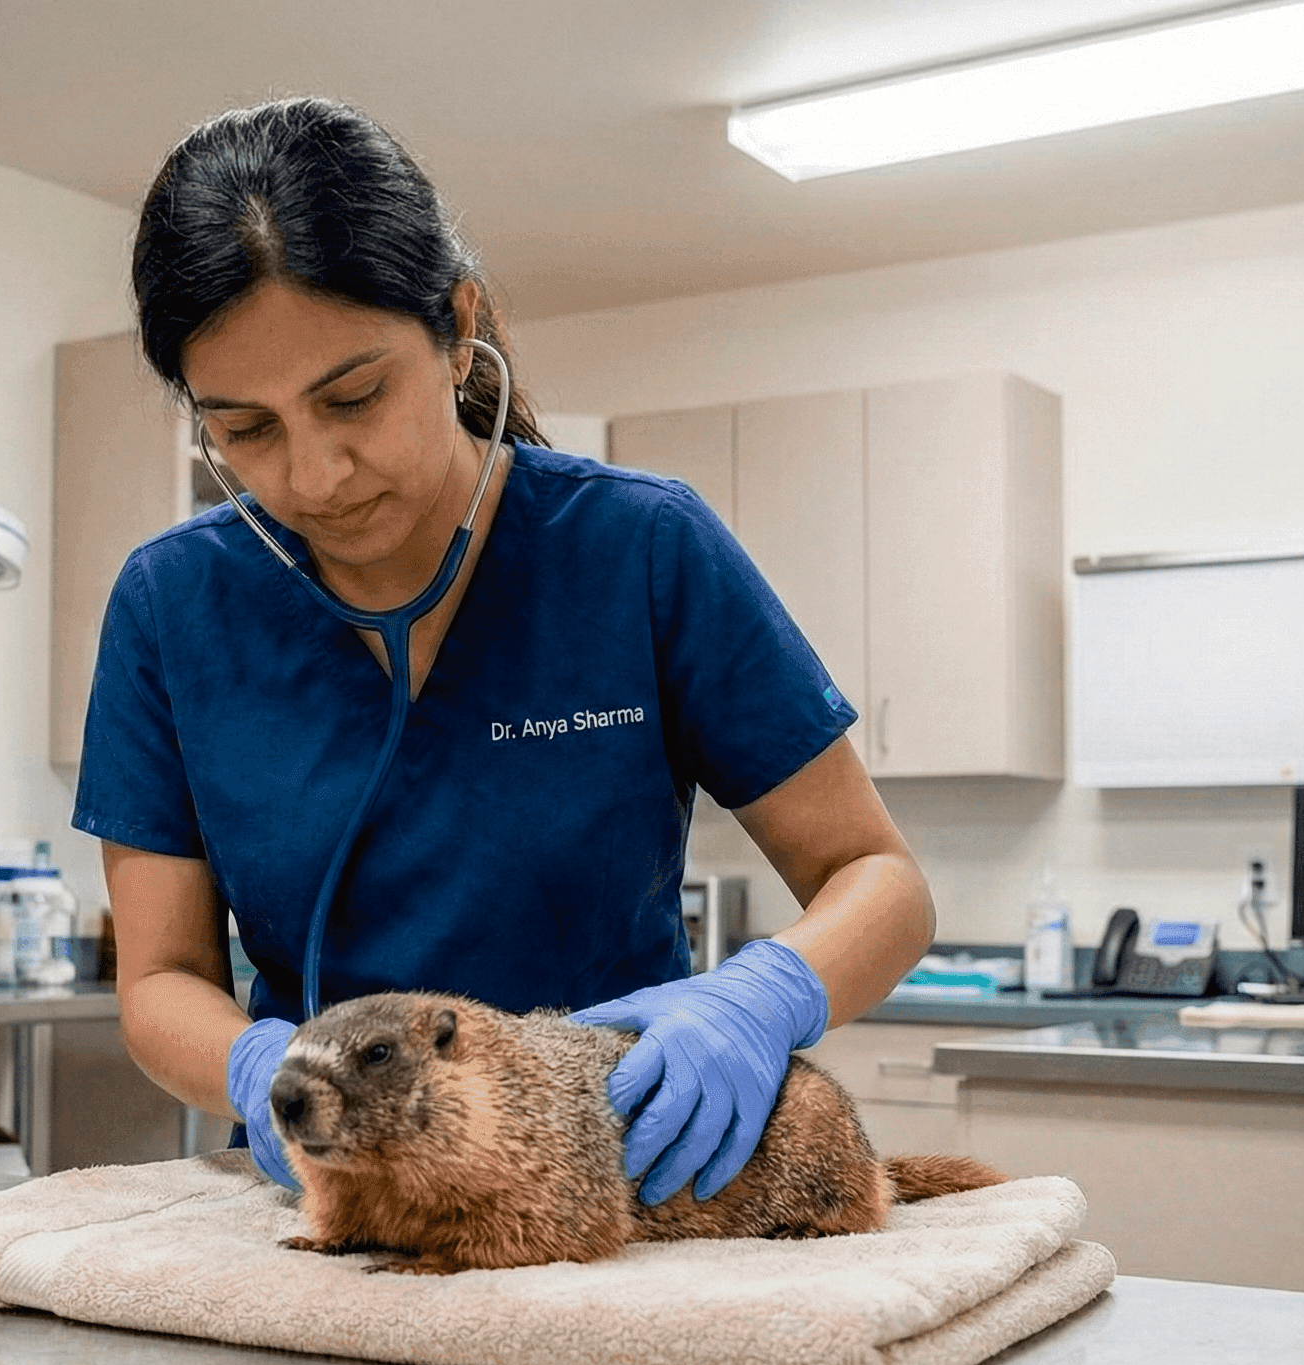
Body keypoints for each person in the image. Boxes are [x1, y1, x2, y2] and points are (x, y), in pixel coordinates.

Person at [78, 96, 933, 1241]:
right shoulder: (170, 606)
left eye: (353, 396)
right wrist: (252, 1067)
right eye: (246, 429)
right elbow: (158, 982)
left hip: (624, 1193)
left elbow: (879, 882)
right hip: (332, 1202)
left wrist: (758, 999)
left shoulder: (636, 549)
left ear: (458, 326)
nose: (318, 474)